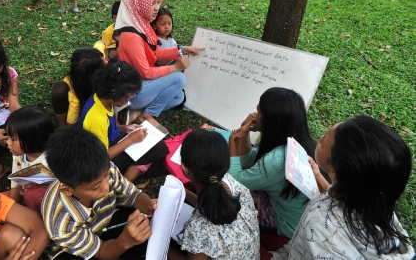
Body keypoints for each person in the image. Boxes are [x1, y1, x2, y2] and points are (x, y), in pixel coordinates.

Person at [276, 115, 415, 259]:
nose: (321, 137)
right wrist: (318, 176)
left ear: (334, 171)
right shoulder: (375, 203)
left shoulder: (321, 230)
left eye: (323, 142)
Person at [41, 127, 157, 259]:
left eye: (106, 176)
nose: (106, 187)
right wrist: (125, 241)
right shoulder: (60, 222)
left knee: (146, 228)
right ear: (67, 190)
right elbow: (101, 252)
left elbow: (133, 195)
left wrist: (148, 204)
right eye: (95, 187)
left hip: (106, 223)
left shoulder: (104, 170)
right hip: (73, 252)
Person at [228, 87, 316, 239]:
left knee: (225, 193)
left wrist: (233, 141)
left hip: (287, 223)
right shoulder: (297, 141)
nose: (255, 114)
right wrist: (245, 132)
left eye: (259, 110)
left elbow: (235, 181)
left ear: (271, 120)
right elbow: (249, 161)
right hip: (298, 214)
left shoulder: (277, 160)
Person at [113, 0, 203, 127]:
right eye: (152, 3)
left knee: (179, 96)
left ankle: (138, 114)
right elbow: (146, 72)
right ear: (139, 3)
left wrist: (183, 49)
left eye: (157, 2)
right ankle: (148, 114)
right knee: (179, 79)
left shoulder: (142, 26)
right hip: (133, 92)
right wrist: (175, 68)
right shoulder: (131, 36)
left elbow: (157, 52)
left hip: (144, 86)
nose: (157, 8)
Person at [168, 129, 260, 260]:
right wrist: (182, 191)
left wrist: (160, 245)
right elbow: (210, 202)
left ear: (184, 169)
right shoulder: (238, 187)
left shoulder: (198, 228)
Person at [78, 59, 169, 181]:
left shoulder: (104, 100)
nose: (130, 98)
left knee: (153, 144)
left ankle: (130, 172)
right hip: (97, 161)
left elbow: (111, 127)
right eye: (127, 96)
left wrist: (126, 128)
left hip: (110, 143)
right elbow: (102, 157)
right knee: (156, 148)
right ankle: (125, 182)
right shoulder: (96, 118)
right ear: (114, 92)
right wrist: (131, 139)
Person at [4, 106, 54, 213]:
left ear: (31, 141)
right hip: (25, 192)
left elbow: (65, 188)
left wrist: (37, 187)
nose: (8, 142)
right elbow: (16, 181)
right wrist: (13, 207)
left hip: (48, 200)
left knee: (32, 195)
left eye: (13, 139)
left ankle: (36, 221)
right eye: (7, 137)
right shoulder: (19, 154)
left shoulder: (52, 160)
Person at [51, 47, 105, 128]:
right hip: (82, 102)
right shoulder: (75, 94)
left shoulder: (95, 57)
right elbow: (71, 122)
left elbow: (100, 42)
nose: (107, 62)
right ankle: (61, 124)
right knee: (59, 90)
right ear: (94, 73)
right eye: (103, 64)